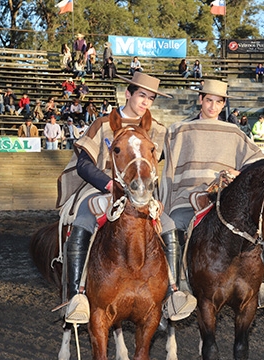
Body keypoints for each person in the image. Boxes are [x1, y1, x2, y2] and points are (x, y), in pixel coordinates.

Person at [56, 72, 179, 323]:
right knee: (82, 223)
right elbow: (84, 164)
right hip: (101, 186)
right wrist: (109, 184)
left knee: (169, 225)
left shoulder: (156, 129)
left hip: (140, 191)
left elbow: (158, 165)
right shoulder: (103, 124)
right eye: (142, 95)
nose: (146, 102)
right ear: (128, 93)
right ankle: (76, 296)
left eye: (151, 98)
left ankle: (174, 292)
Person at [159, 79, 264, 315]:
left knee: (253, 227)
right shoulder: (180, 130)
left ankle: (262, 282)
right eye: (209, 100)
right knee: (174, 227)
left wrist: (239, 172)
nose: (213, 106)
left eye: (218, 102)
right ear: (200, 100)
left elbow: (257, 160)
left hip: (225, 198)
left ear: (223, 104)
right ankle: (176, 289)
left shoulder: (233, 132)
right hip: (187, 196)